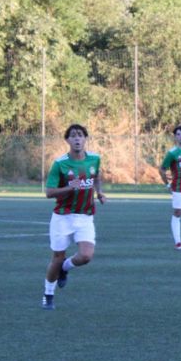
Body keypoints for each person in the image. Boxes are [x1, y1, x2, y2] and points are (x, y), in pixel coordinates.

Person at [41, 124, 105, 310]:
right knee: (57, 258)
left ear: (85, 139)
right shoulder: (60, 164)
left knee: (86, 256)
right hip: (63, 217)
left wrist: (99, 193)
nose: (77, 139)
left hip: (85, 216)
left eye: (80, 135)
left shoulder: (95, 159)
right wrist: (70, 187)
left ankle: (65, 269)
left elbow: (97, 177)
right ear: (67, 140)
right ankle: (48, 295)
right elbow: (49, 192)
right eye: (73, 136)